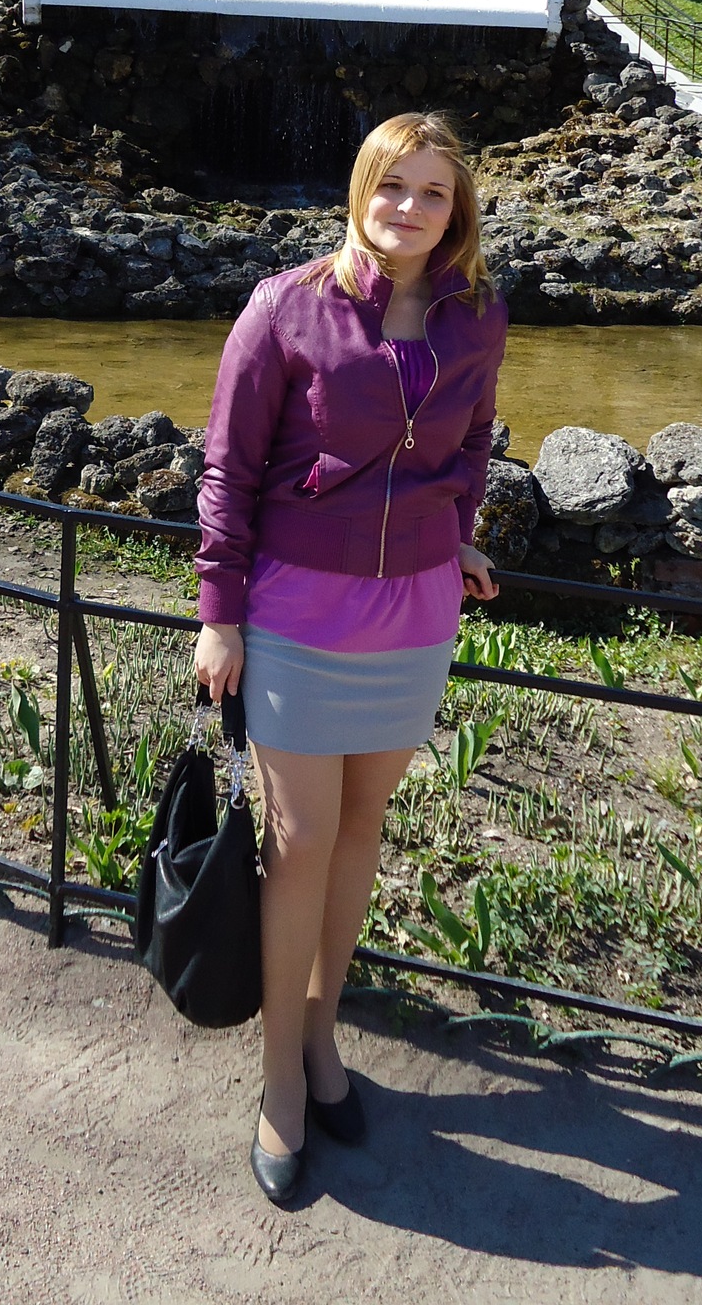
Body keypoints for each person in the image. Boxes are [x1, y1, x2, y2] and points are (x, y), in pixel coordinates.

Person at [194, 112, 507, 1204]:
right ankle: (281, 1072)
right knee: (302, 841)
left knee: (361, 829)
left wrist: (457, 529)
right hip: (297, 612)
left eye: (433, 192)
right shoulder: (286, 305)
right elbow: (229, 467)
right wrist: (219, 613)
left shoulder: (479, 314)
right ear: (359, 191)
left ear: (457, 211)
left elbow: (473, 440)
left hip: (415, 612)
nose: (409, 208)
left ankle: (323, 1029)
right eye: (392, 185)